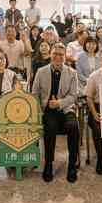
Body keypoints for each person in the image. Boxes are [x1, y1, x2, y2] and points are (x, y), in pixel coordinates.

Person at [33, 43, 80, 183]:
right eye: (55, 54)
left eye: (61, 54)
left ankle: (72, 164)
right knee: (50, 128)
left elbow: (73, 96)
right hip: (47, 110)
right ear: (50, 55)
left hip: (66, 109)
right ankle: (48, 164)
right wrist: (40, 110)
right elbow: (35, 93)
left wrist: (59, 103)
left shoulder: (72, 73)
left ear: (65, 57)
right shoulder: (41, 72)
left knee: (73, 127)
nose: (58, 57)